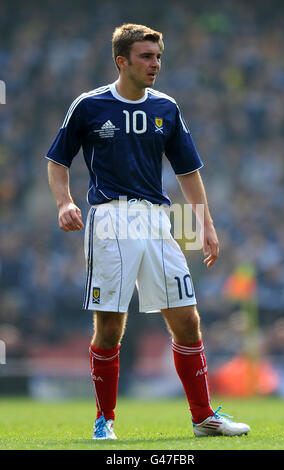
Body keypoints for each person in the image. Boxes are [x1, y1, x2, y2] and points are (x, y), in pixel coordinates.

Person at [46, 23, 250, 439]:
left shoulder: (167, 108)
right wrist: (65, 202)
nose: (155, 64)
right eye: (146, 56)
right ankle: (105, 421)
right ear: (122, 61)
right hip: (111, 219)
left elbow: (188, 172)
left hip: (159, 219)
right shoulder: (89, 105)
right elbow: (57, 161)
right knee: (110, 326)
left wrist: (205, 226)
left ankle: (203, 418)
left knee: (188, 320)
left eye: (157, 56)